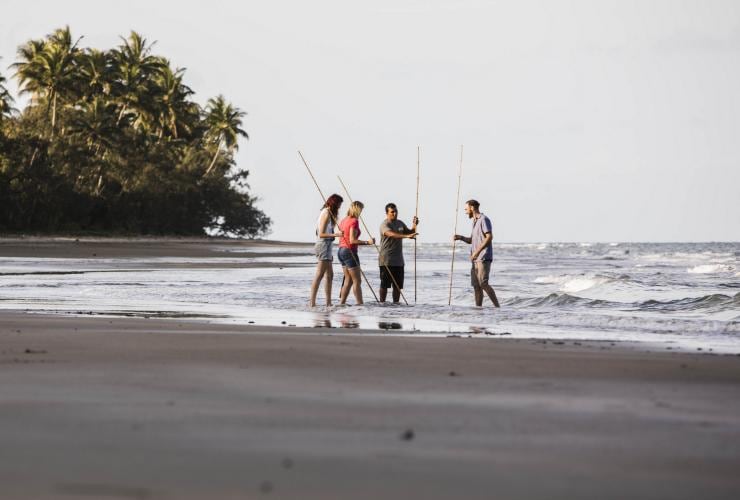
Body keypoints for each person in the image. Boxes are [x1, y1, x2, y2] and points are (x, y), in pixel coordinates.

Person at [453, 199, 500, 307]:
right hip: (475, 259)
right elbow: (471, 240)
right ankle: (478, 310)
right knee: (476, 286)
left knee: (483, 283)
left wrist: (477, 252)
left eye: (466, 209)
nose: (465, 212)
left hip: (483, 257)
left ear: (472, 208)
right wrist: (460, 237)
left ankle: (498, 308)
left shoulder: (484, 219)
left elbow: (489, 237)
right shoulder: (474, 222)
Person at [378, 203, 418, 303]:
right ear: (387, 213)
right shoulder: (384, 224)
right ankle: (381, 304)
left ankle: (396, 306)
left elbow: (409, 232)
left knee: (397, 286)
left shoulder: (400, 223)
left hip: (399, 261)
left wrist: (414, 225)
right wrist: (405, 236)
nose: (395, 214)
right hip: (386, 260)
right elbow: (391, 234)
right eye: (392, 212)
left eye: (396, 211)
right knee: (385, 285)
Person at [309, 194, 344, 307]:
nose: (339, 207)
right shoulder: (326, 213)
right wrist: (336, 234)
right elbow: (320, 234)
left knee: (330, 275)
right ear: (334, 203)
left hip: (328, 245)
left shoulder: (329, 214)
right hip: (323, 245)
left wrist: (333, 235)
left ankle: (328, 303)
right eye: (338, 205)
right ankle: (312, 303)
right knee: (319, 274)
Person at [337, 201, 374, 305]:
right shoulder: (354, 221)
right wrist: (368, 242)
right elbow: (352, 240)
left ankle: (342, 303)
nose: (361, 212)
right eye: (361, 209)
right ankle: (360, 304)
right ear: (357, 209)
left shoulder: (344, 220)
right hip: (349, 251)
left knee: (348, 279)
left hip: (340, 251)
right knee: (357, 280)